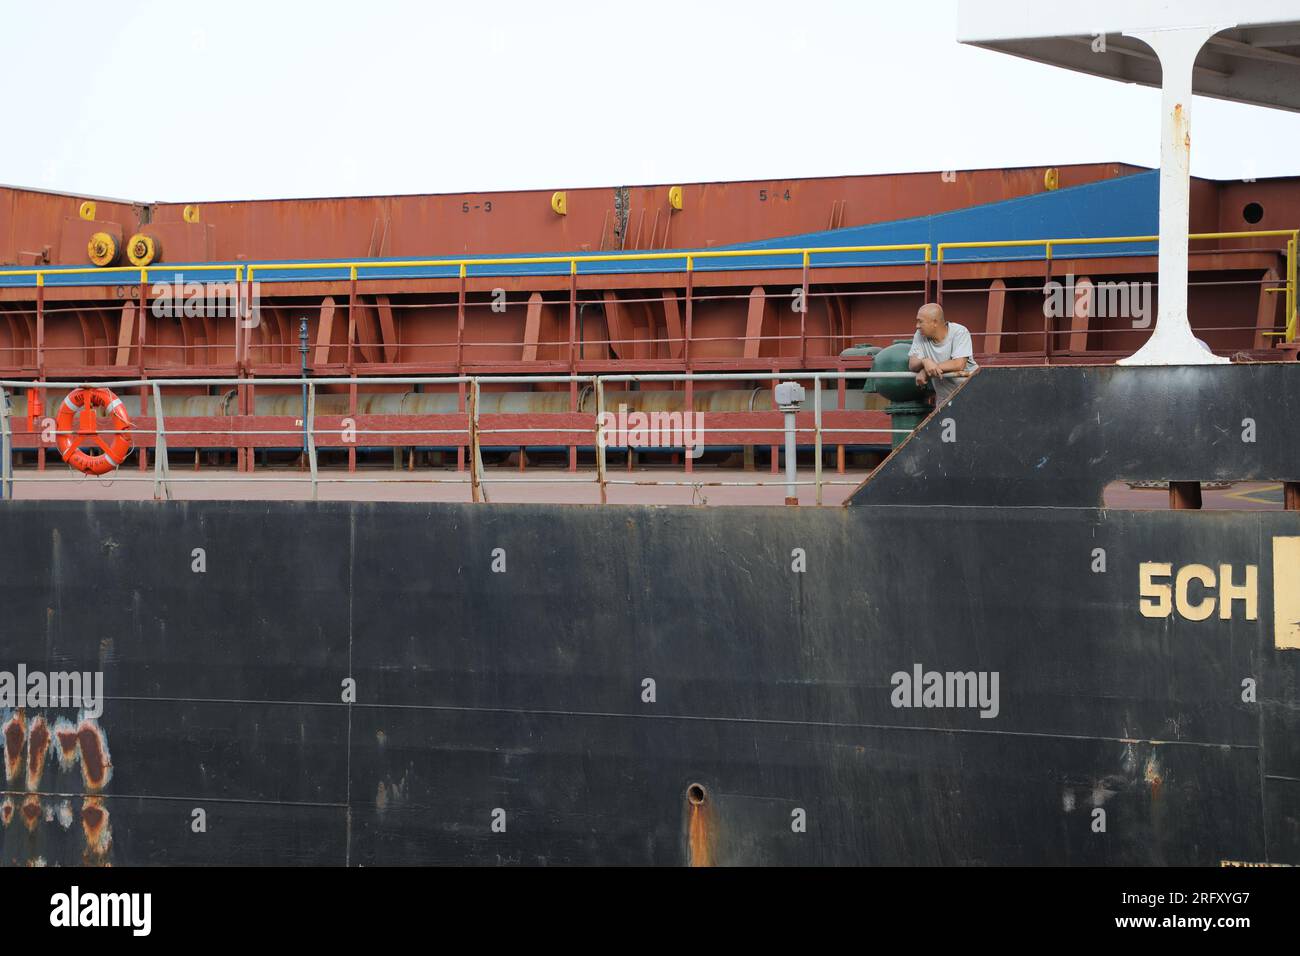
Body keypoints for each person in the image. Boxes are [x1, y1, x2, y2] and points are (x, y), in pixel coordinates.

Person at [908, 303, 977, 405]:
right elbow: (912, 364)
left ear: (935, 322)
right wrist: (925, 361)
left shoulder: (959, 332)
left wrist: (926, 371)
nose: (917, 326)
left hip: (973, 395)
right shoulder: (920, 335)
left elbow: (959, 364)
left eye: (920, 322)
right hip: (945, 401)